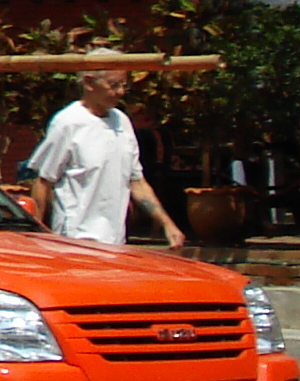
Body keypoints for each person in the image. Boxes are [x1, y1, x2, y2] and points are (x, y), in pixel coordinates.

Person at [28, 68, 184, 248]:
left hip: (114, 239)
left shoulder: (122, 122)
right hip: (75, 240)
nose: (120, 92)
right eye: (113, 85)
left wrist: (167, 224)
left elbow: (136, 181)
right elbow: (43, 182)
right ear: (89, 83)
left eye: (124, 85)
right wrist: (36, 234)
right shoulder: (68, 123)